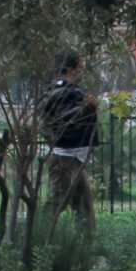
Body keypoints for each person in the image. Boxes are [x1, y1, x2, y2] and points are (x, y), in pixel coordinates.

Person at [37, 51, 99, 248]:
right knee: (58, 202)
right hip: (64, 158)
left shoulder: (70, 92)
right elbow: (64, 122)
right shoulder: (64, 93)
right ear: (72, 68)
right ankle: (39, 242)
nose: (82, 70)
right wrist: (87, 106)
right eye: (80, 66)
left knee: (83, 206)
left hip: (73, 157)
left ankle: (85, 249)